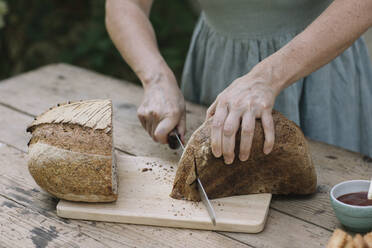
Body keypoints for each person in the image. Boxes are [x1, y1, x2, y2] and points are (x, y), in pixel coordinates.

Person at [105, 0, 372, 164]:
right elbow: (126, 4)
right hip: (217, 65)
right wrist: (156, 79)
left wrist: (266, 77)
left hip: (316, 67)